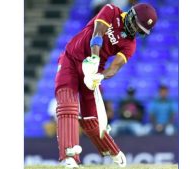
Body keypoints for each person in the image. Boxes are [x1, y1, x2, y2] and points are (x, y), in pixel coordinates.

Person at [55, 3, 157, 168]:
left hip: (93, 73)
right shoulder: (111, 10)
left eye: (141, 31)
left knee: (90, 121)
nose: (136, 32)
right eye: (137, 27)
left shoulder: (130, 45)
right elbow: (98, 32)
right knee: (67, 103)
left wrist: (99, 77)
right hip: (72, 58)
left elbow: (114, 68)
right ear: (131, 15)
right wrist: (94, 58)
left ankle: (115, 152)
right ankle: (70, 158)